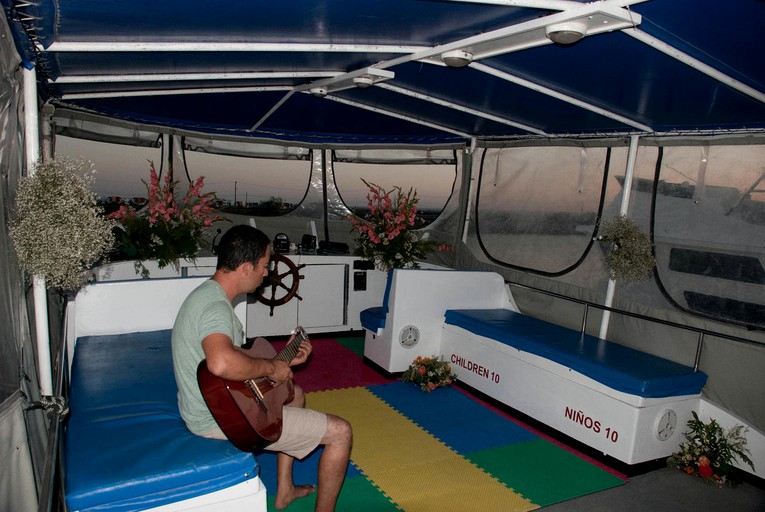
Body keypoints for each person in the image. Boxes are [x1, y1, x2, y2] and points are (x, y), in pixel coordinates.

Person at [172, 225, 352, 511]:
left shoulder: (207, 295)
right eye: (264, 265)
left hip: (215, 402)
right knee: (341, 432)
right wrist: (271, 367)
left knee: (297, 394)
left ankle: (285, 491)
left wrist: (282, 363)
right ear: (246, 267)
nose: (267, 273)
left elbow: (232, 361)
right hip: (218, 419)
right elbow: (220, 362)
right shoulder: (215, 308)